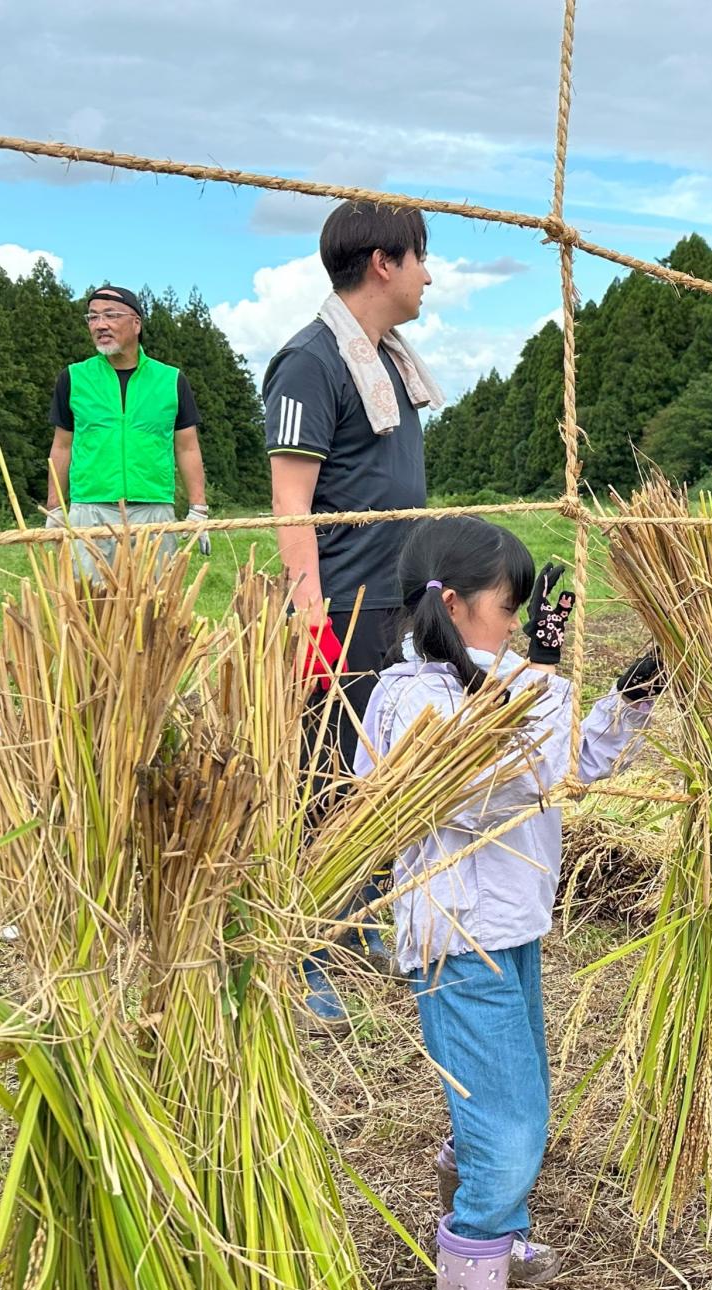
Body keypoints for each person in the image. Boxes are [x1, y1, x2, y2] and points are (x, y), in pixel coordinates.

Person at [354, 516, 663, 1290]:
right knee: (510, 1117)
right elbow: (491, 783)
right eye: (509, 607)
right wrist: (548, 677)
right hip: (457, 936)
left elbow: (565, 763)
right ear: (453, 604)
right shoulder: (411, 696)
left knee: (513, 1092)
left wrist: (626, 701)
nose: (522, 625)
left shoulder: (499, 679)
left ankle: (492, 1213)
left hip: (510, 926)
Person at [265, 201, 438, 1022]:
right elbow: (291, 505)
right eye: (420, 259)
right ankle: (306, 951)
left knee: (379, 767)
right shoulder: (311, 361)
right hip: (339, 606)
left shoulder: (391, 361)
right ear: (382, 263)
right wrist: (311, 621)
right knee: (323, 775)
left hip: (395, 605)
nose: (427, 276)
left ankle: (362, 914)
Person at [46, 285, 210, 574]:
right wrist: (56, 508)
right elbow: (62, 446)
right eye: (93, 317)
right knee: (88, 607)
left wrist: (198, 509)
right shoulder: (73, 377)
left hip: (153, 508)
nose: (100, 325)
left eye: (110, 315)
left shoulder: (170, 380)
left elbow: (187, 447)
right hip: (89, 509)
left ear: (136, 324)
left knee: (154, 606)